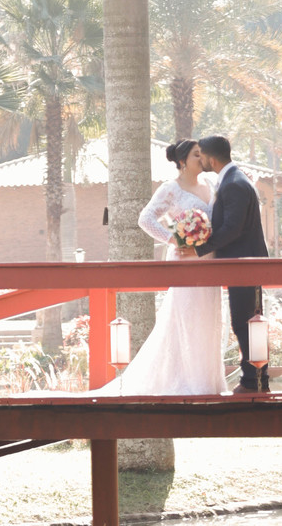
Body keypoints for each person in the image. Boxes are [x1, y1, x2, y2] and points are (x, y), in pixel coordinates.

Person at [94, 139, 228, 395]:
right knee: (186, 320)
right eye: (196, 155)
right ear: (182, 161)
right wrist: (175, 239)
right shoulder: (171, 189)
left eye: (202, 155)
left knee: (209, 321)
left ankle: (208, 383)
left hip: (208, 260)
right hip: (185, 261)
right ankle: (185, 383)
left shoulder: (210, 185)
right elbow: (145, 219)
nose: (201, 159)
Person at [196, 134, 269, 393]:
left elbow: (232, 228)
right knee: (246, 321)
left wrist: (200, 248)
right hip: (242, 264)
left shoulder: (234, 184)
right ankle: (256, 379)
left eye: (201, 156)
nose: (200, 160)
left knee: (246, 322)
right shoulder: (232, 180)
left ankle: (255, 381)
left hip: (245, 265)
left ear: (211, 158)